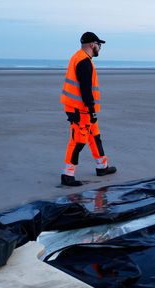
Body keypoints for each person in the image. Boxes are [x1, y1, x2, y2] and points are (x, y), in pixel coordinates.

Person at [59, 31, 117, 187]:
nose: (100, 48)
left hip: (82, 108)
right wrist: (91, 110)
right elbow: (86, 89)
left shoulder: (80, 58)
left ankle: (102, 167)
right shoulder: (83, 61)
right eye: (99, 45)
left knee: (94, 136)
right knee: (78, 141)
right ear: (92, 45)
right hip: (80, 109)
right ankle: (67, 175)